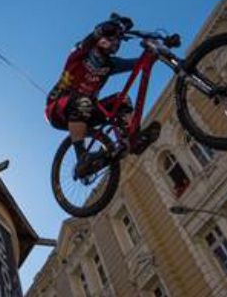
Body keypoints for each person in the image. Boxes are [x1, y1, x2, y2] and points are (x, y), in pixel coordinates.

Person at [45, 14, 158, 176]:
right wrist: (107, 27)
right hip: (56, 108)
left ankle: (132, 140)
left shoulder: (111, 64)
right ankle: (82, 156)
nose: (114, 44)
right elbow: (91, 39)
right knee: (82, 101)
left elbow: (138, 64)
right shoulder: (80, 53)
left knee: (122, 100)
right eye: (111, 39)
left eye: (116, 42)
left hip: (86, 110)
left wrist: (157, 51)